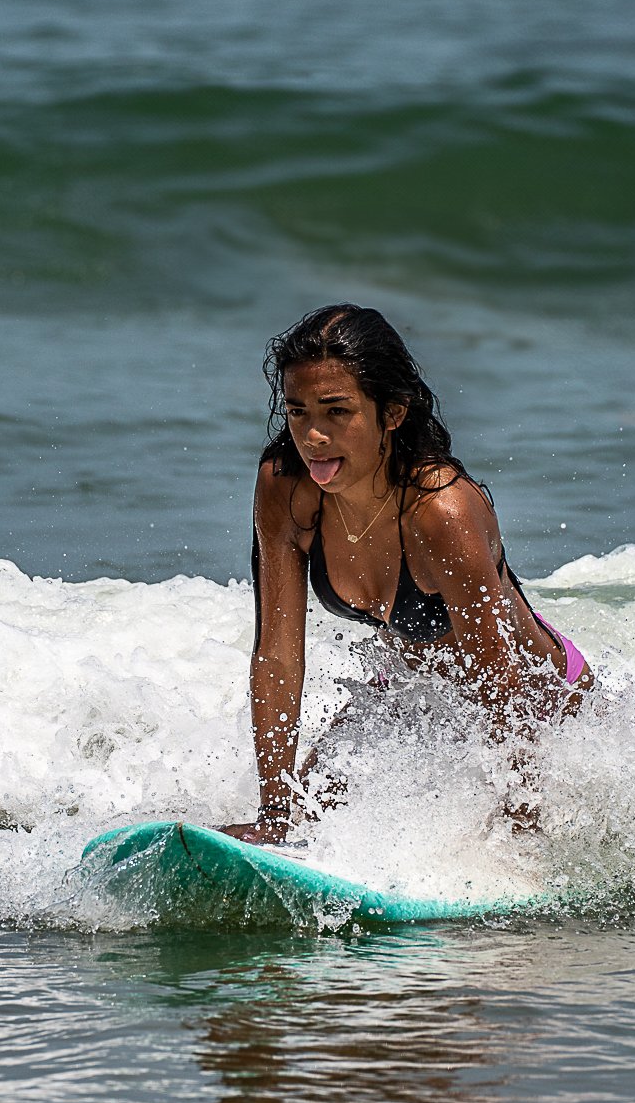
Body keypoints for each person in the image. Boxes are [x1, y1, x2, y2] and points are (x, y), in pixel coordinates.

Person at [218, 305, 591, 845]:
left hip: (542, 708)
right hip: (413, 696)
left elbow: (502, 685)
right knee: (311, 809)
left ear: (391, 413)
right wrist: (274, 813)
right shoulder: (286, 489)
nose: (313, 436)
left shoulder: (442, 512)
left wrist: (520, 826)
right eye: (298, 412)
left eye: (336, 411)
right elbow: (277, 653)